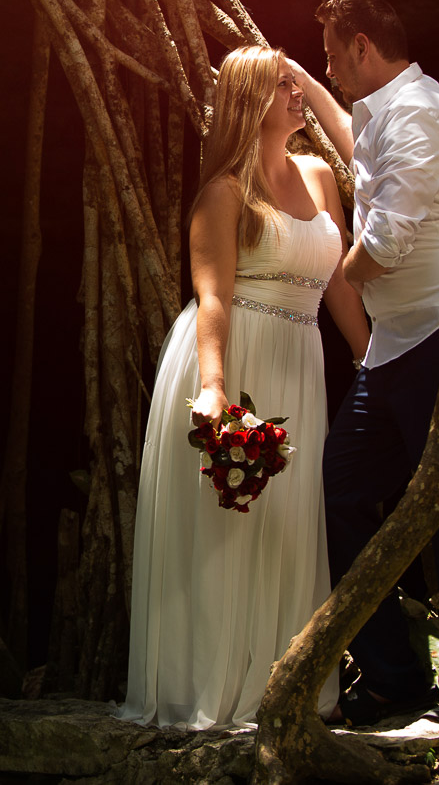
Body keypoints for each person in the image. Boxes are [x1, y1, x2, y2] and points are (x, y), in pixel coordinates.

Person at [119, 44, 371, 730]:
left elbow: (340, 282)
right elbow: (213, 299)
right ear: (250, 101)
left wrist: (370, 358)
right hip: (236, 358)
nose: (299, 97)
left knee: (294, 527)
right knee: (234, 528)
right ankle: (216, 689)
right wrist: (213, 388)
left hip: (302, 358)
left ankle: (287, 687)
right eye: (284, 87)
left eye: (298, 85)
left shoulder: (320, 177)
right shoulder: (224, 193)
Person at [291, 0, 439, 734]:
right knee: (344, 490)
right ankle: (394, 677)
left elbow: (381, 249)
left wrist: (330, 262)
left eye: (331, 53)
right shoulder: (378, 111)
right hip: (395, 345)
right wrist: (307, 83)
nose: (332, 66)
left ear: (362, 45)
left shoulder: (420, 111)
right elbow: (363, 155)